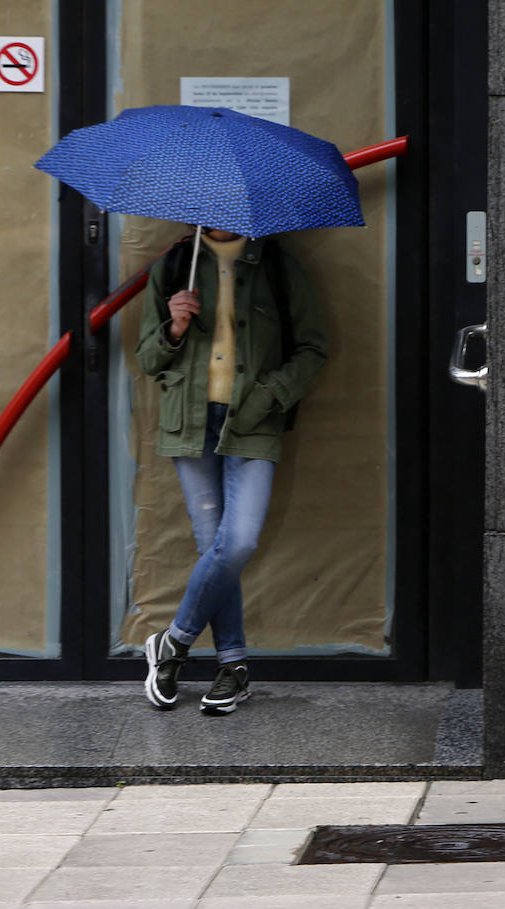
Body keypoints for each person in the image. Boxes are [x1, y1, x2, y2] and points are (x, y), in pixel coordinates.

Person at [135, 227, 327, 715]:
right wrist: (174, 327)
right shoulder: (176, 265)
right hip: (191, 423)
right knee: (214, 549)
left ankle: (172, 644)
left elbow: (312, 349)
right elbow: (148, 359)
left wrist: (270, 395)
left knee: (237, 541)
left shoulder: (279, 267)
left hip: (254, 422)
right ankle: (234, 666)